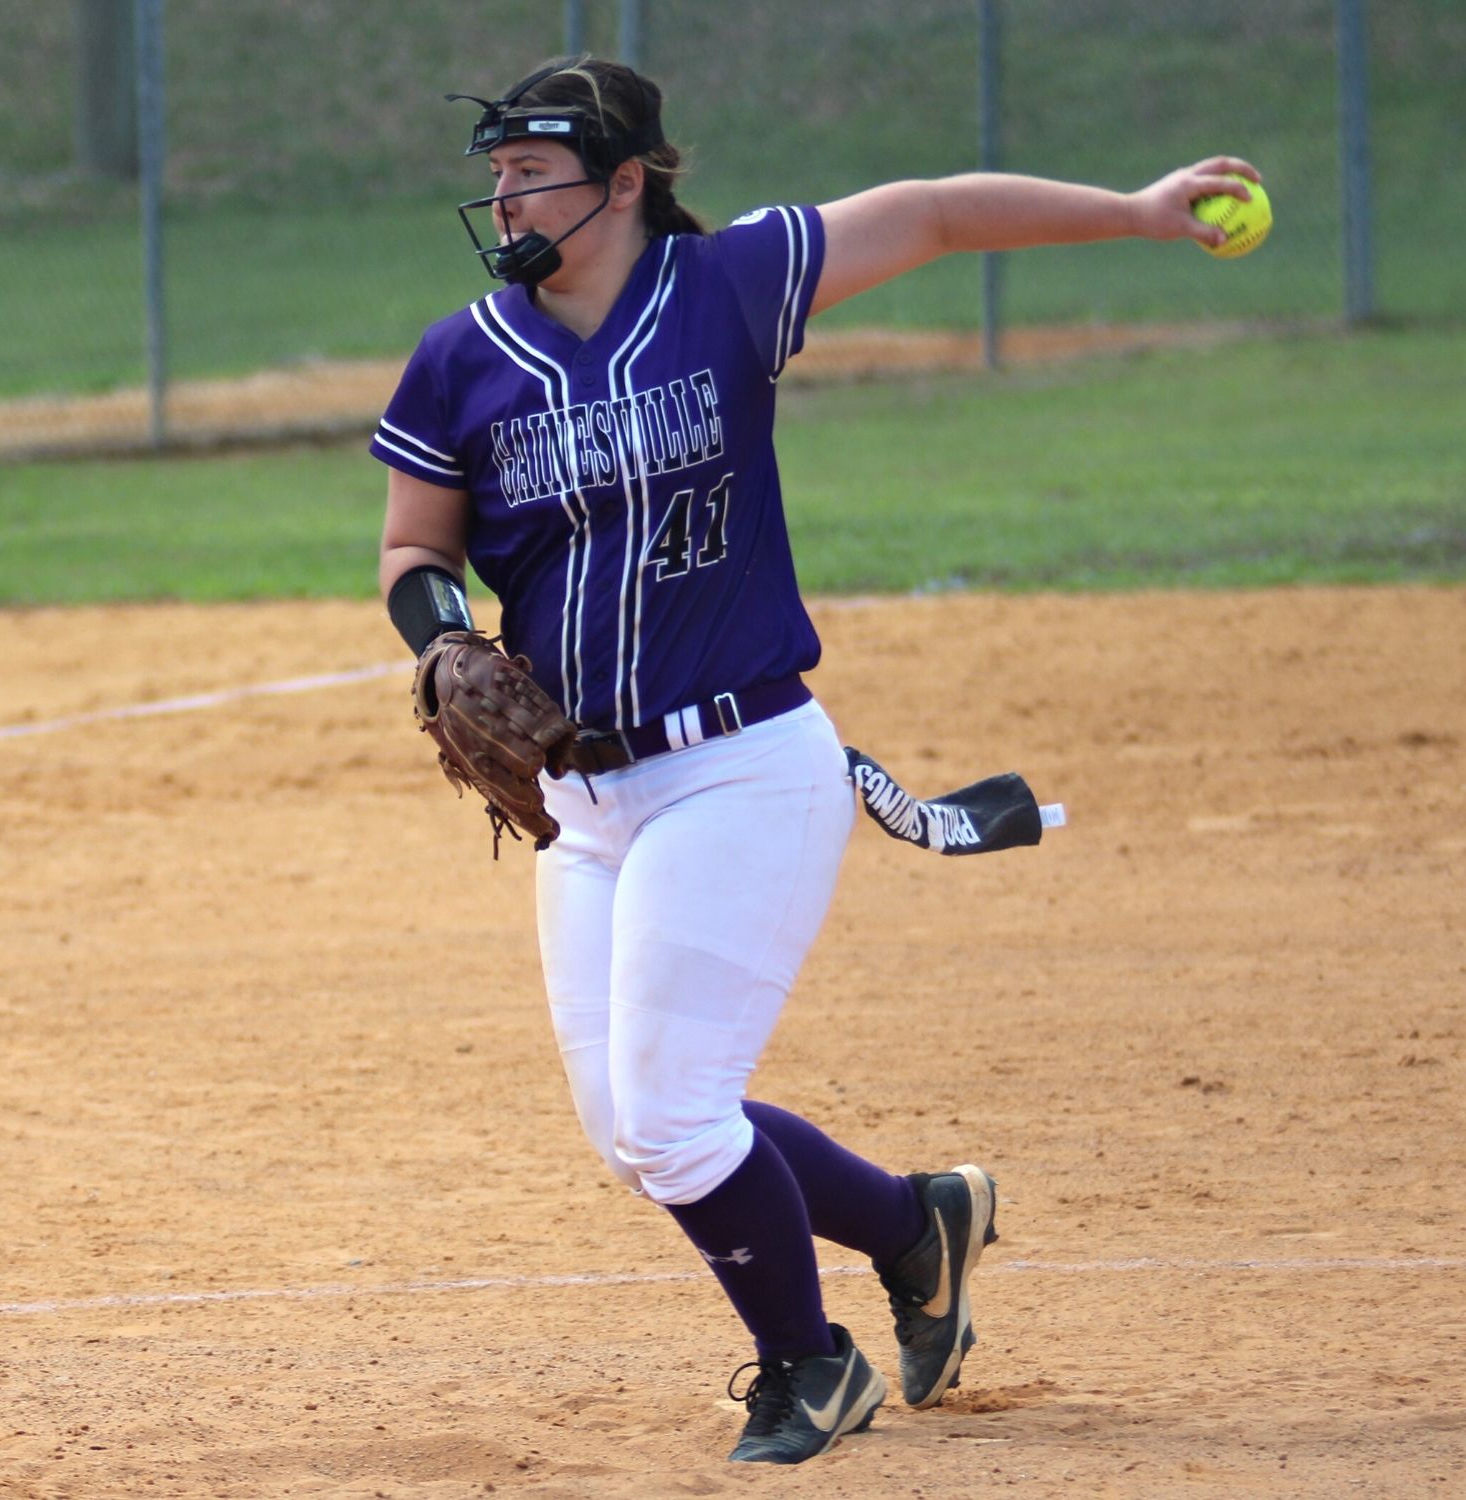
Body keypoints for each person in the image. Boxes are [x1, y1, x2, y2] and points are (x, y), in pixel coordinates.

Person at [373, 55, 1260, 1466]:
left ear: (625, 181)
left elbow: (934, 215)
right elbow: (416, 552)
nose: (504, 195)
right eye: (496, 173)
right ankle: (916, 1225)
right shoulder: (465, 355)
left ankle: (811, 1365)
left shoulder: (726, 284)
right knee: (640, 1132)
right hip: (583, 798)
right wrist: (438, 642)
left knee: (671, 1117)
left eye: (532, 169)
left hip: (740, 765)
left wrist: (1142, 211)